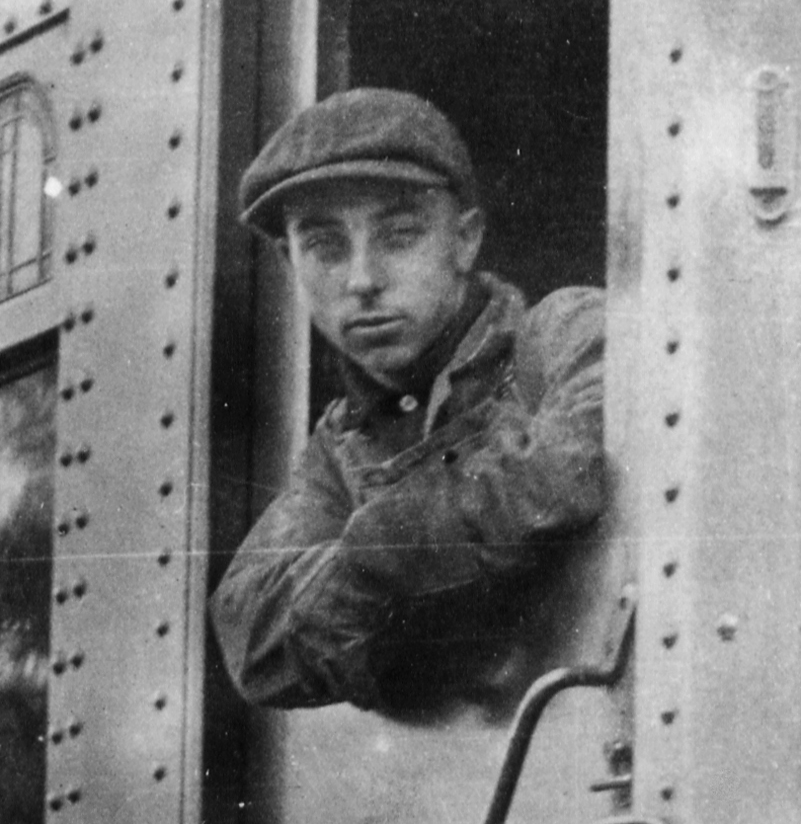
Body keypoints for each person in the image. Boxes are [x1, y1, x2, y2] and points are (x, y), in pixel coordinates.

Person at [210, 85, 609, 713]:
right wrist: (405, 562)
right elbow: (251, 629)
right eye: (325, 246)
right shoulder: (339, 451)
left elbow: (562, 474)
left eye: (398, 235)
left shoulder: (566, 334)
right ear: (290, 263)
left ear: (465, 240)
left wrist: (373, 559)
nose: (362, 279)